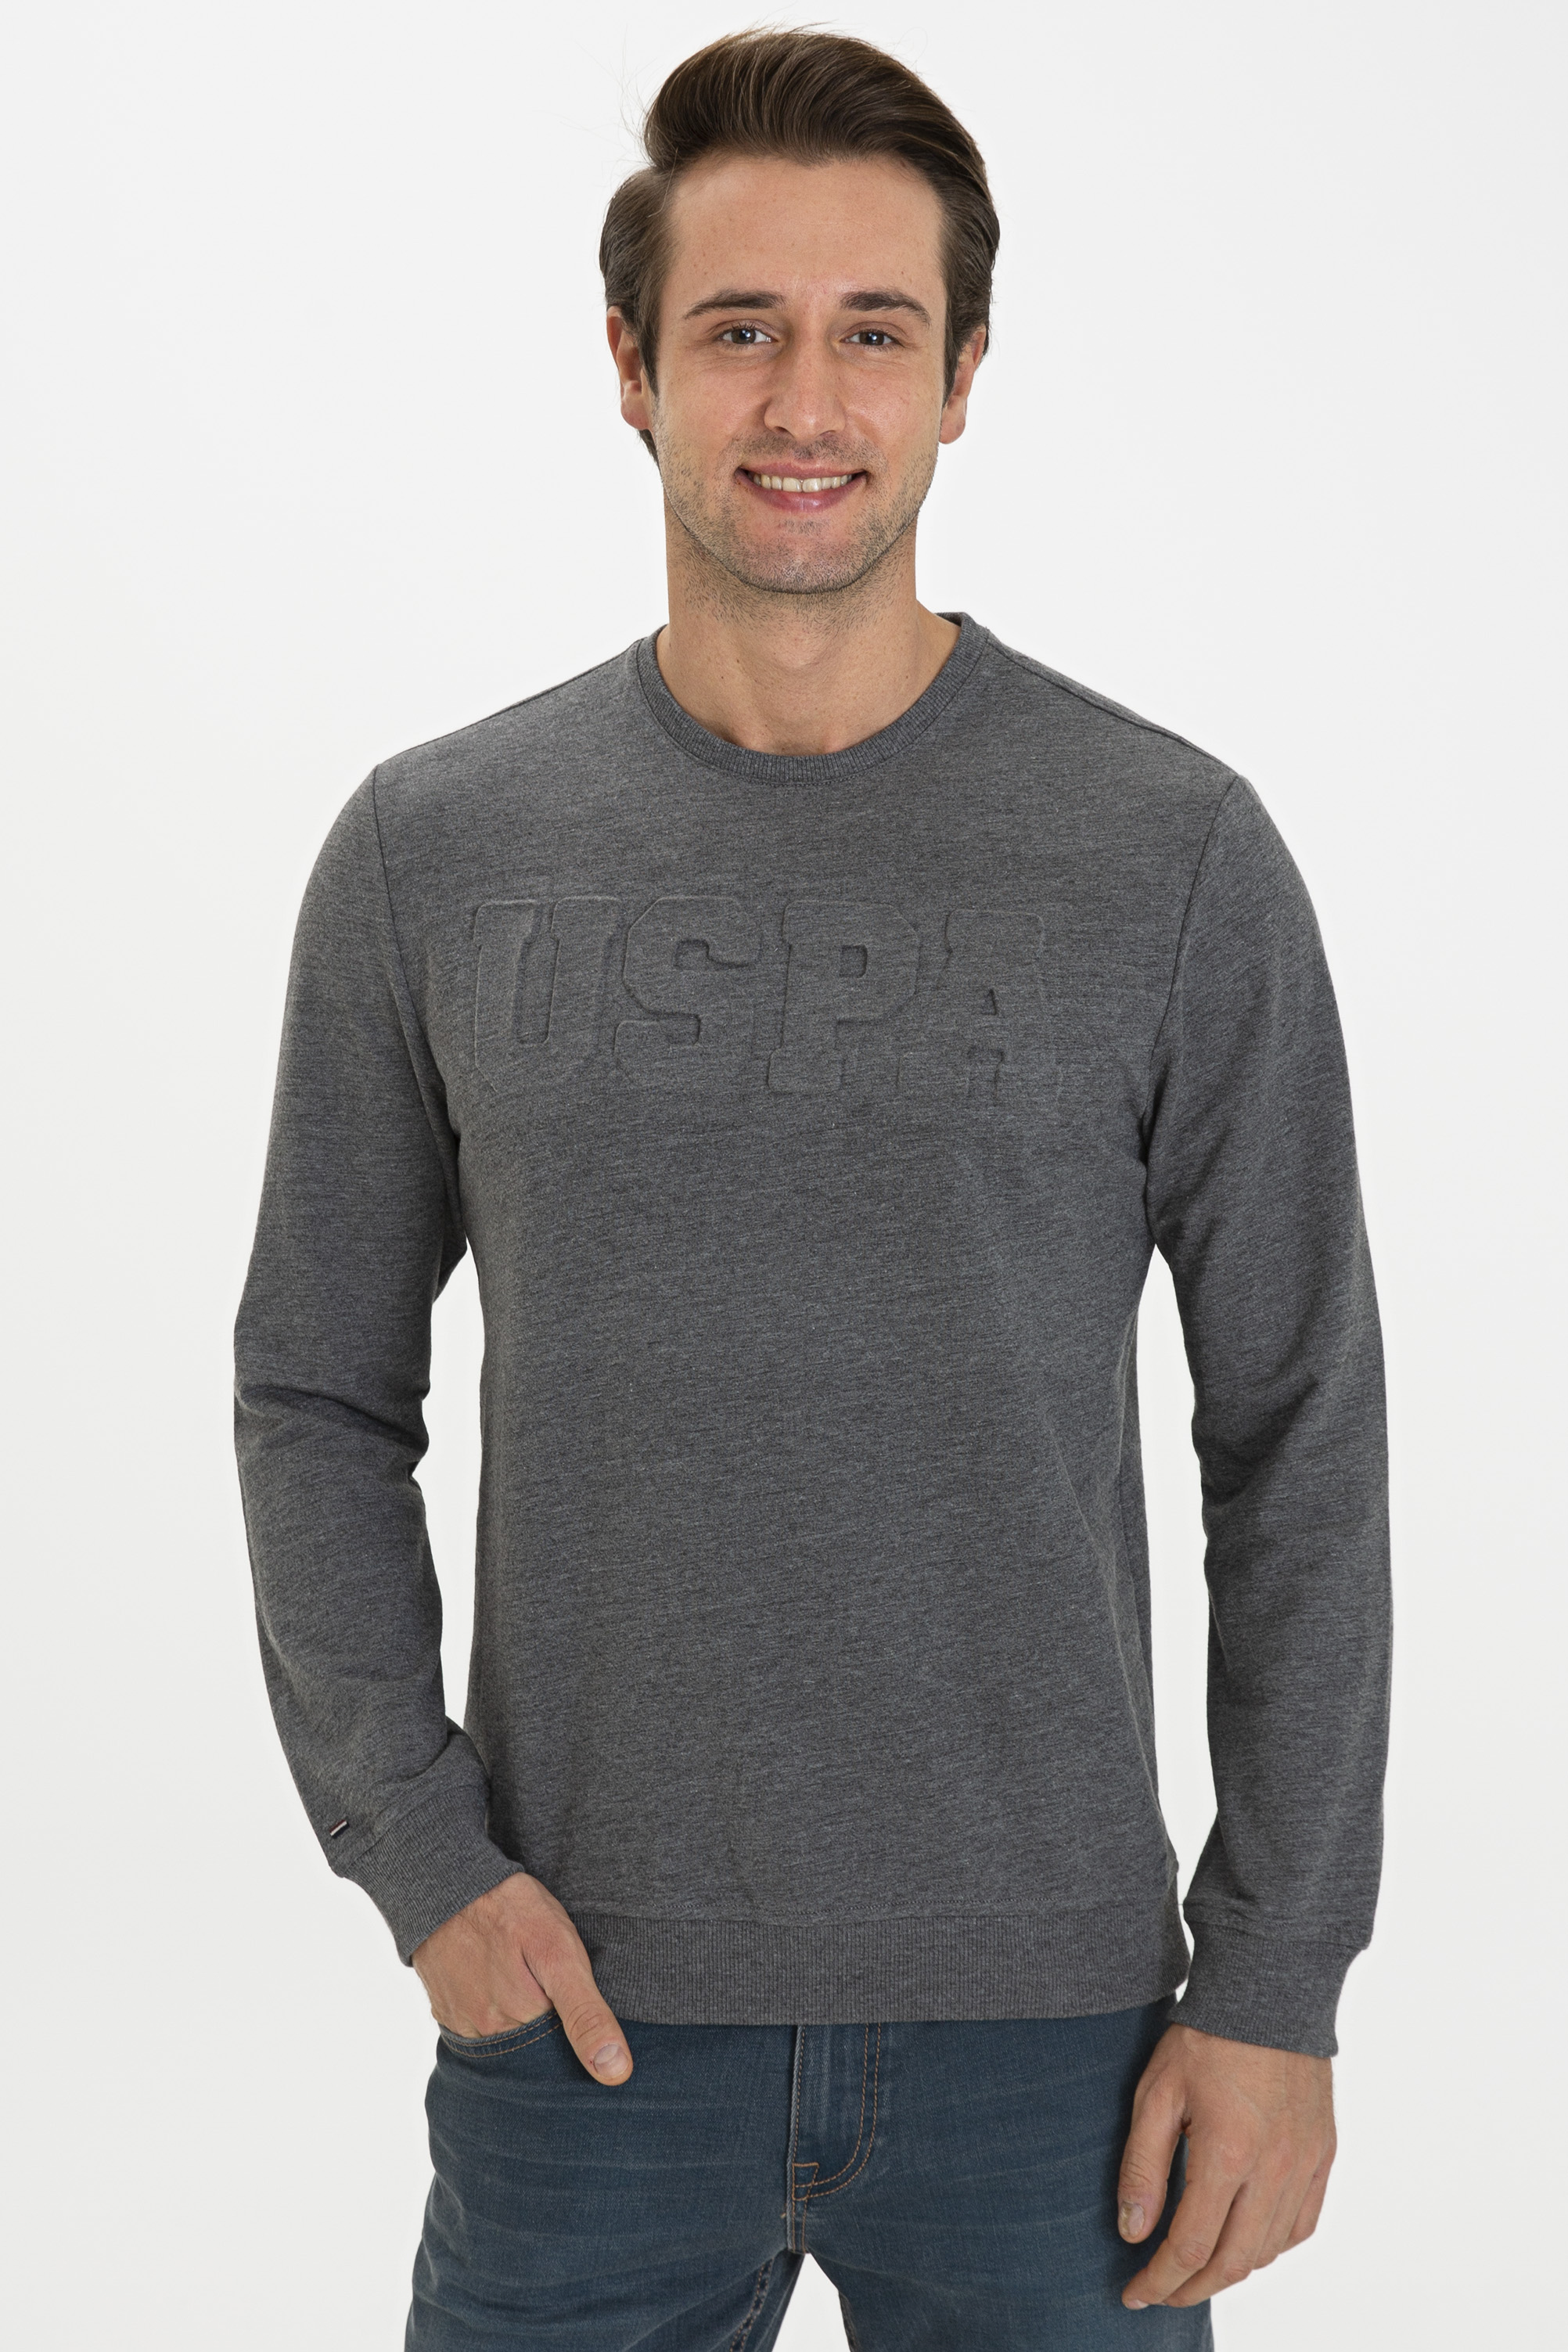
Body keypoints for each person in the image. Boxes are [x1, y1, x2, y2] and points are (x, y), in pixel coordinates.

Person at [233, 28, 1390, 2349]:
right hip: (576, 2026)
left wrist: (1278, 1980)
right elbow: (316, 1392)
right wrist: (419, 1857)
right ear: (630, 368)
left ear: (961, 381)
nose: (803, 400)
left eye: (874, 333)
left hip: (1066, 2047)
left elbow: (1298, 1434)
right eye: (739, 327)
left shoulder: (1169, 854)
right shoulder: (434, 851)